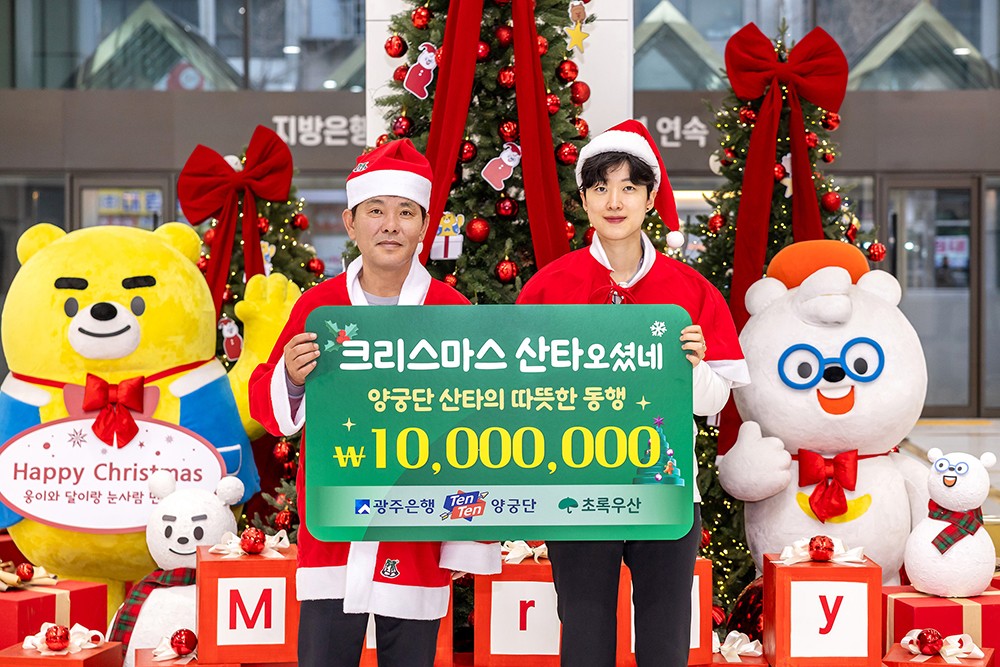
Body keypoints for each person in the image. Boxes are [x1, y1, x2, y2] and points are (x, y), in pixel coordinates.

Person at [248, 139, 501, 667]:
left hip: (417, 529)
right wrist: (290, 378)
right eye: (376, 211)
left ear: (425, 225)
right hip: (333, 529)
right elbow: (269, 407)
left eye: (406, 212)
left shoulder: (453, 312)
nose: (391, 225)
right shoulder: (319, 306)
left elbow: (479, 425)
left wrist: (466, 536)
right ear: (350, 222)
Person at [516, 120, 749, 666]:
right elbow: (521, 391)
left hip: (665, 490)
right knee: (585, 640)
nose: (614, 202)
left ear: (649, 197)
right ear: (584, 200)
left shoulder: (690, 290)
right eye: (600, 188)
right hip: (577, 489)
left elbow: (713, 403)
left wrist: (692, 366)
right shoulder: (548, 287)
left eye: (628, 187)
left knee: (665, 644)